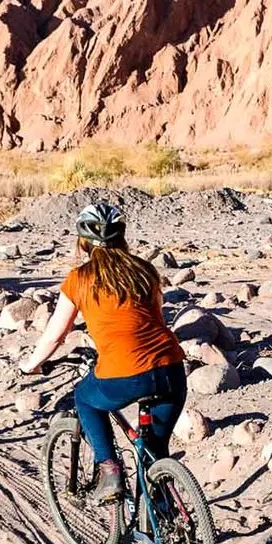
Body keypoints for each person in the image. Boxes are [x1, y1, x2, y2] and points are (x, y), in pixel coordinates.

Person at [21, 202, 187, 503]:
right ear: (121, 237)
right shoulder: (144, 271)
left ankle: (109, 470)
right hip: (171, 368)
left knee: (85, 398)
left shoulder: (79, 279)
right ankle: (163, 520)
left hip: (126, 372)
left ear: (83, 242)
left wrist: (31, 365)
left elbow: (56, 335)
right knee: (154, 450)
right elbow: (154, 319)